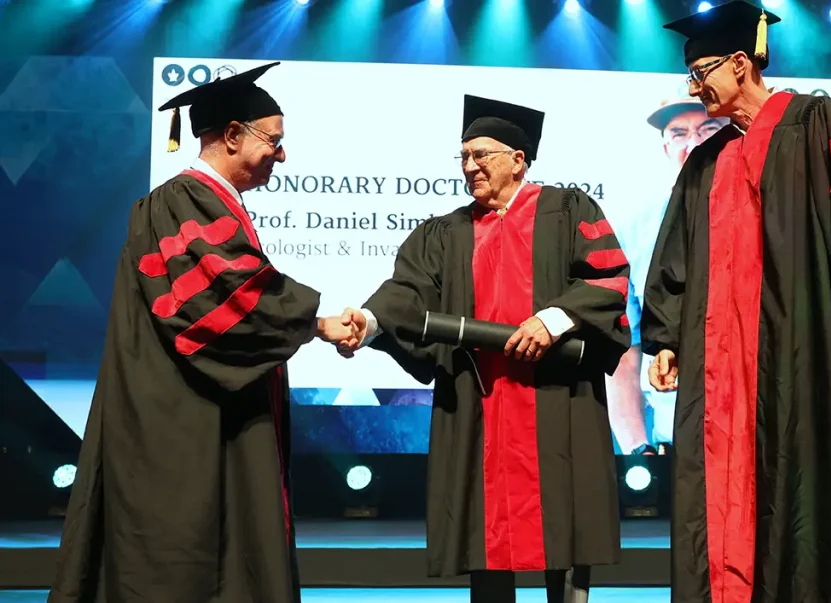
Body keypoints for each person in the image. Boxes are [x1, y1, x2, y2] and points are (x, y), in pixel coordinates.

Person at [641, 2, 831, 602]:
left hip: (804, 354)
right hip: (721, 369)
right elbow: (675, 254)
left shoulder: (819, 124)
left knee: (808, 491)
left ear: (740, 63)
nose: (696, 86)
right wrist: (668, 337)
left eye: (703, 72)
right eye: (690, 76)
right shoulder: (705, 160)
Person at [49, 62, 341, 603]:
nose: (282, 154)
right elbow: (226, 297)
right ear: (233, 135)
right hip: (181, 423)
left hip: (201, 414)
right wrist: (315, 321)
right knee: (185, 562)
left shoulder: (201, 203)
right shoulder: (182, 201)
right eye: (274, 141)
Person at [322, 95, 631, 603]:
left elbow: (610, 279)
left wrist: (553, 320)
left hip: (556, 396)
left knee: (567, 522)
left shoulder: (569, 210)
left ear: (518, 158)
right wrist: (370, 319)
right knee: (485, 534)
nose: (470, 166)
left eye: (481, 154)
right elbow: (407, 293)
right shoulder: (446, 233)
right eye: (463, 157)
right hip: (478, 399)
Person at [606, 96, 728, 454]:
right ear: (665, 147)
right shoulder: (632, 228)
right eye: (679, 133)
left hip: (762, 439)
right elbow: (623, 356)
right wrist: (636, 448)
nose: (693, 143)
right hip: (676, 444)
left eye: (709, 129)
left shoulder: (771, 214)